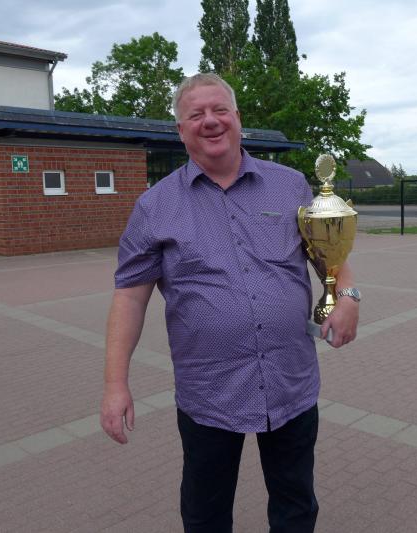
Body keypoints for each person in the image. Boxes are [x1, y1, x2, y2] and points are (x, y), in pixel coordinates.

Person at [100, 73, 359, 533]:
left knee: (296, 504)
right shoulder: (155, 206)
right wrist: (115, 385)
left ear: (238, 118)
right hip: (210, 392)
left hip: (289, 380)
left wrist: (348, 296)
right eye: (196, 114)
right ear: (180, 130)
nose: (210, 121)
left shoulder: (290, 186)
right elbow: (130, 298)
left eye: (220, 109)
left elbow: (329, 258)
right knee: (205, 513)